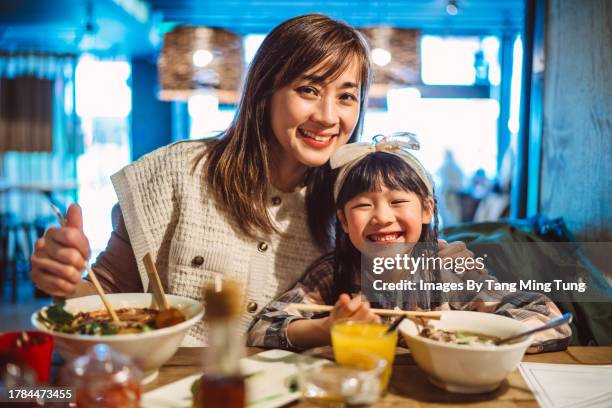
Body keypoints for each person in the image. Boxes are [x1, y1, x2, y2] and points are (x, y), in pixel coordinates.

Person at [30, 14, 474, 345]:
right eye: (308, 90)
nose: (327, 116)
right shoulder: (173, 174)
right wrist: (67, 280)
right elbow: (107, 297)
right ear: (264, 93)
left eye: (346, 97)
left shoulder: (349, 202)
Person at [247, 135, 571, 353]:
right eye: (363, 205)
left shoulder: (449, 267)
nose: (382, 217)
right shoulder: (336, 272)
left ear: (428, 209)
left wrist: (470, 336)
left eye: (398, 201)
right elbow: (263, 327)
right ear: (344, 222)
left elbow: (546, 317)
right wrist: (326, 328)